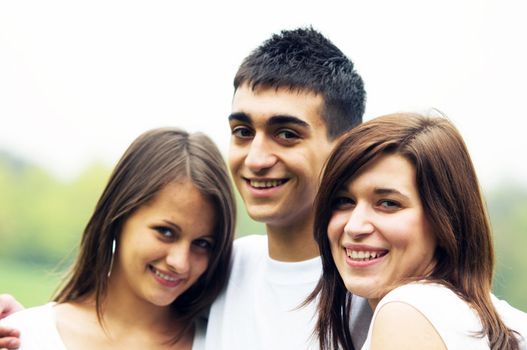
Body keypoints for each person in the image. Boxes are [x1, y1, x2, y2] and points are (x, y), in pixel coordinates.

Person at [203, 27, 371, 350]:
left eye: (287, 134)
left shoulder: (377, 284)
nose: (256, 159)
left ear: (346, 147)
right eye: (242, 131)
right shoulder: (215, 268)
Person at [0, 127, 235, 350]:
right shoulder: (25, 336)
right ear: (117, 218)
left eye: (202, 243)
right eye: (165, 232)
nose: (180, 262)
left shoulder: (225, 342)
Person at [311, 113, 527, 349]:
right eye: (343, 201)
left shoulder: (406, 312)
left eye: (388, 203)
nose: (354, 226)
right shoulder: (499, 320)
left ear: (445, 220)